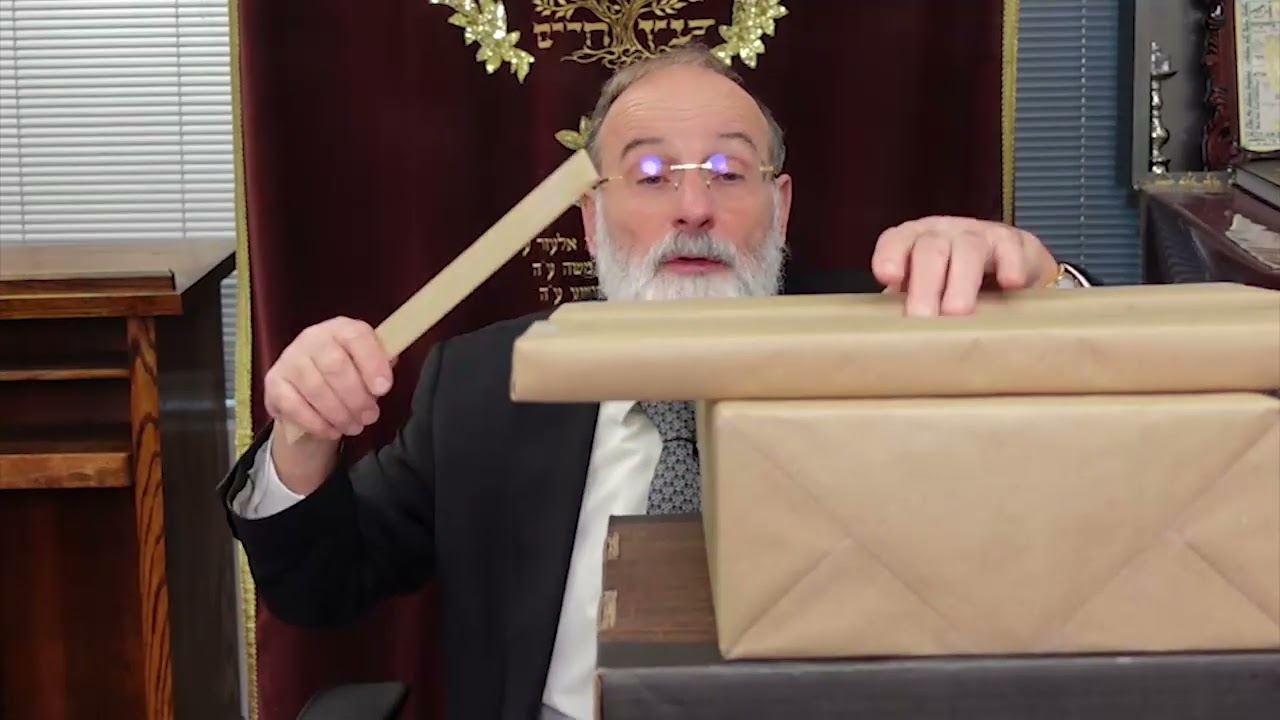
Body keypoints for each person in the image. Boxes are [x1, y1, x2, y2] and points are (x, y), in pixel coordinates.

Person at [220, 45, 1094, 720]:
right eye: (647, 175)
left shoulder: (893, 343)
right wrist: (304, 436)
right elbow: (319, 586)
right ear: (590, 215)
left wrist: (1045, 292)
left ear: (781, 205)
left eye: (728, 173)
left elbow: (1086, 473)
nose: (692, 208)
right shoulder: (488, 384)